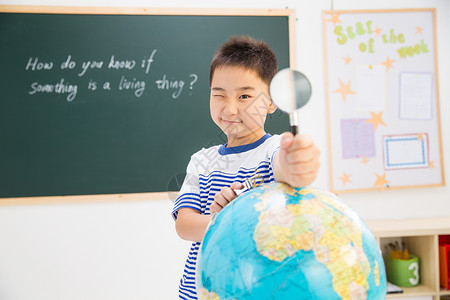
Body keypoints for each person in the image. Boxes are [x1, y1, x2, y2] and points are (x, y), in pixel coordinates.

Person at [171, 36, 321, 300]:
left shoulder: (272, 150)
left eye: (244, 96)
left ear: (272, 101)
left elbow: (286, 167)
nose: (230, 108)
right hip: (199, 291)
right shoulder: (202, 161)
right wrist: (222, 220)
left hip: (258, 290)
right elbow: (184, 225)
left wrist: (297, 163)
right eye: (219, 94)